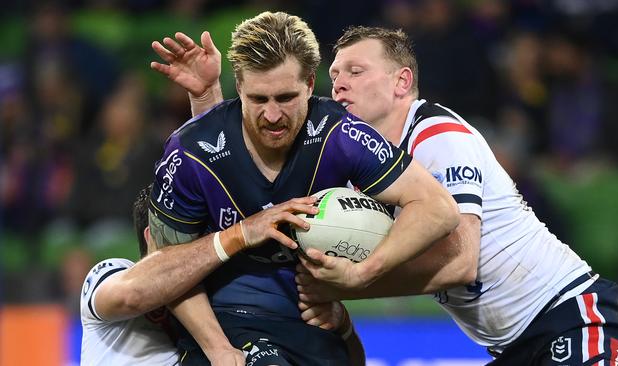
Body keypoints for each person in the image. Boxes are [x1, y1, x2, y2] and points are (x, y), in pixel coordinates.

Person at [160, 25, 618, 365]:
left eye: (356, 70)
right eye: (335, 72)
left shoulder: (437, 134)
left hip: (574, 315)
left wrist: (353, 281)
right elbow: (232, 177)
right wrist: (206, 100)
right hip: (510, 347)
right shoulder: (358, 170)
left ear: (401, 82)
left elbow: (461, 262)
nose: (339, 82)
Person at [147, 11, 459, 365]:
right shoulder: (191, 150)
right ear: (239, 86)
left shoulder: (339, 134)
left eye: (286, 97)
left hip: (311, 320)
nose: (273, 115)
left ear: (311, 83)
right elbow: (166, 270)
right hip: (224, 322)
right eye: (258, 100)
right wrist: (217, 348)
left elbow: (438, 209)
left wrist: (362, 274)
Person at [80, 185, 244, 365]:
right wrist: (234, 237)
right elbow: (130, 296)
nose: (197, 240)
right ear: (152, 236)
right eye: (185, 231)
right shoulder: (113, 272)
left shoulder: (212, 296)